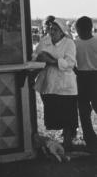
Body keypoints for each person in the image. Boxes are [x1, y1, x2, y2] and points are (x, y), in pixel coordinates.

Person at [33, 17, 77, 151]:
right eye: (51, 29)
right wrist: (39, 58)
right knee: (54, 113)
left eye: (55, 30)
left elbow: (69, 63)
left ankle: (68, 141)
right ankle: (58, 141)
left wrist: (50, 60)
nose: (52, 32)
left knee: (68, 114)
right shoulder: (44, 41)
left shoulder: (69, 43)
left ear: (62, 32)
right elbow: (35, 55)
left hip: (65, 85)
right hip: (49, 83)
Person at [75, 16, 97, 152]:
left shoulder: (75, 43)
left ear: (77, 29)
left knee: (83, 111)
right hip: (95, 77)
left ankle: (90, 139)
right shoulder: (96, 41)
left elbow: (71, 63)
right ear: (91, 28)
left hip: (81, 78)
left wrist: (77, 72)